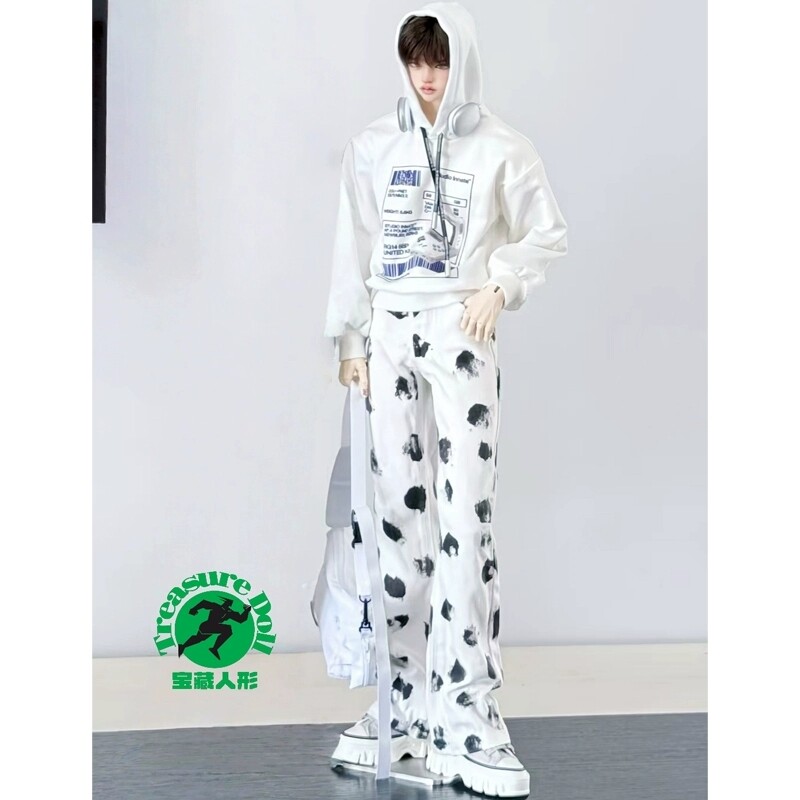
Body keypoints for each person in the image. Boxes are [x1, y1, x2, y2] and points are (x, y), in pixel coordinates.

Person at [323, 3, 567, 796]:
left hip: (461, 330)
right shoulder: (373, 146)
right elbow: (353, 243)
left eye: (439, 59)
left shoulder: (502, 148)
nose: (428, 76)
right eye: (415, 60)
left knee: (467, 521)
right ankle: (403, 704)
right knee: (393, 516)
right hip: (389, 332)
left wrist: (501, 286)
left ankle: (468, 714)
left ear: (461, 58)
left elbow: (546, 231)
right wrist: (351, 341)